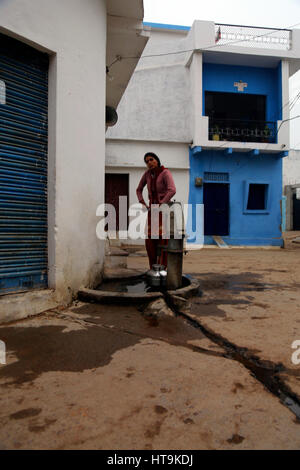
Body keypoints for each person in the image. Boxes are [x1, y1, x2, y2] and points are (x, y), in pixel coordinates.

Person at [136, 152, 176, 268]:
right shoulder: (147, 175)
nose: (149, 163)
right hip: (152, 211)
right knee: (150, 241)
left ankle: (163, 268)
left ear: (157, 160)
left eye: (151, 159)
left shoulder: (165, 173)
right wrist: (142, 203)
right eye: (147, 161)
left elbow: (172, 190)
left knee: (163, 240)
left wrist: (161, 203)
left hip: (164, 210)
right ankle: (153, 268)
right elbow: (138, 189)